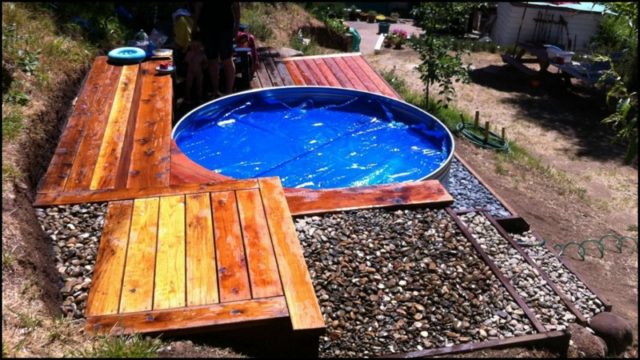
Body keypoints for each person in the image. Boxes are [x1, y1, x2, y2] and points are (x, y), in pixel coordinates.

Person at [193, 2, 240, 98]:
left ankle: (229, 93)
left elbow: (236, 5)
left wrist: (237, 25)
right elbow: (199, 5)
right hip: (207, 26)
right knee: (212, 60)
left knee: (227, 59)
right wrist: (194, 25)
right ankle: (215, 91)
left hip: (225, 26)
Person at [183, 31, 208, 105]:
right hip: (190, 71)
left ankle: (199, 97)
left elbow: (206, 62)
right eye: (193, 46)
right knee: (188, 84)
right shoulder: (190, 53)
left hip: (199, 72)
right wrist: (190, 58)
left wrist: (204, 66)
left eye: (197, 46)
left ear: (201, 46)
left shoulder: (202, 54)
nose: (195, 48)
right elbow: (186, 61)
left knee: (199, 85)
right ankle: (187, 97)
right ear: (191, 46)